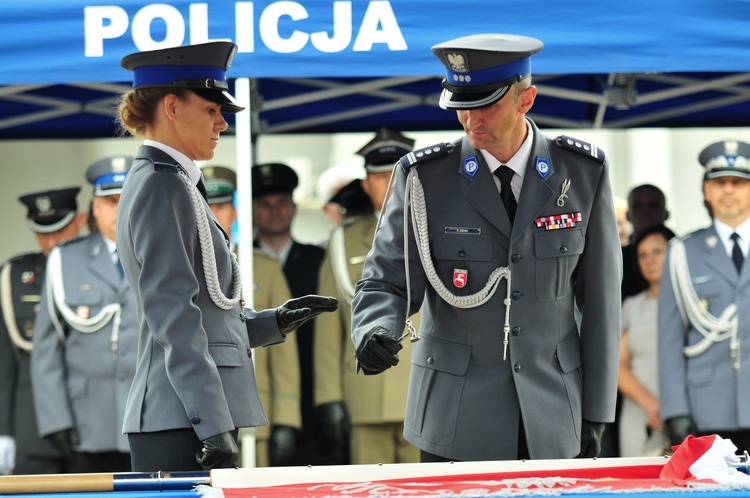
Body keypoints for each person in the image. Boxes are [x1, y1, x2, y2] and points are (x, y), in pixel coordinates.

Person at [350, 33, 622, 462]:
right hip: (454, 417)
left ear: (525, 99)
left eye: (486, 104)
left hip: (552, 413)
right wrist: (373, 328)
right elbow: (386, 280)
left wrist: (598, 411)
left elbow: (602, 303)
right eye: (461, 105)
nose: (471, 120)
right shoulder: (424, 177)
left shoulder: (584, 173)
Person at [115, 41, 337, 472]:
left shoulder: (172, 181)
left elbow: (203, 310)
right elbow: (174, 315)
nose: (222, 122)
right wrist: (211, 421)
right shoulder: (162, 185)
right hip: (184, 415)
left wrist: (272, 321)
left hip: (187, 411)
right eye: (212, 108)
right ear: (173, 107)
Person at [314, 129, 420, 465]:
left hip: (423, 388)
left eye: (395, 174)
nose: (388, 184)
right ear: (365, 185)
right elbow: (329, 324)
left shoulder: (439, 230)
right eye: (378, 177)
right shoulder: (342, 240)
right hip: (365, 392)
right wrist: (328, 397)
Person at [31, 156, 137, 473]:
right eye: (110, 201)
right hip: (88, 421)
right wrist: (55, 421)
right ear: (94, 207)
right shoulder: (66, 260)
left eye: (127, 197)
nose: (119, 209)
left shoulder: (168, 255)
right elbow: (46, 350)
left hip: (150, 420)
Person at [201, 165, 302, 467]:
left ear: (235, 211)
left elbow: (284, 355)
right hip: (191, 413)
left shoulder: (263, 266)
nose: (215, 214)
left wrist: (286, 416)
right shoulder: (175, 263)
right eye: (208, 206)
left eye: (222, 206)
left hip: (253, 414)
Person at [659, 140, 750, 452]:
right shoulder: (683, 252)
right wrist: (675, 410)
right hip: (709, 408)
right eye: (719, 182)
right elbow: (670, 340)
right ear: (706, 191)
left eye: (738, 183)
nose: (728, 191)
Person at [251, 162, 335, 465]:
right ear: (251, 209)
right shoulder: (238, 263)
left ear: (294, 207)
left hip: (313, 393)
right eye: (265, 204)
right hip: (262, 401)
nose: (275, 211)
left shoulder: (319, 260)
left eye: (282, 203)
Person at [0, 187, 86, 475]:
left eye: (61, 230)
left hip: (93, 424)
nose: (52, 241)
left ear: (80, 220)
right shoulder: (14, 276)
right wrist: (4, 431)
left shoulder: (104, 269)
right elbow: (4, 363)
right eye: (43, 233)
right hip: (31, 426)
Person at [618, 224, 675, 457]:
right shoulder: (632, 306)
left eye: (658, 252)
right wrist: (650, 403)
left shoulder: (693, 303)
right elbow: (617, 365)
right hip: (639, 415)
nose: (650, 260)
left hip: (686, 416)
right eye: (643, 255)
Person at [621, 185, 670, 300]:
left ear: (666, 213)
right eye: (638, 206)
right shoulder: (616, 261)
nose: (645, 212)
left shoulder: (683, 253)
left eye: (653, 206)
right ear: (628, 215)